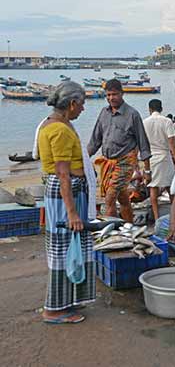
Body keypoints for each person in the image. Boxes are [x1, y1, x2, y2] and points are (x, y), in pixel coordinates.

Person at [36, 82, 96, 324]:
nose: (83, 109)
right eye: (81, 104)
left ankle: (67, 301)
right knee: (63, 251)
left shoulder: (52, 123)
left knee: (73, 248)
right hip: (66, 194)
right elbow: (63, 174)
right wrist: (71, 213)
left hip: (69, 192)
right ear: (72, 104)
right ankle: (54, 310)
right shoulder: (60, 130)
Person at [88, 79, 151, 222]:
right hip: (108, 163)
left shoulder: (132, 114)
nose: (111, 98)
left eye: (114, 94)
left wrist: (147, 171)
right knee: (123, 197)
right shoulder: (104, 113)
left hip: (125, 162)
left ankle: (113, 234)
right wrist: (83, 159)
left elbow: (143, 143)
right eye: (108, 95)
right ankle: (129, 226)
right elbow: (95, 140)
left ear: (122, 94)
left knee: (110, 198)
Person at [143, 99, 175, 219]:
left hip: (152, 157)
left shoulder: (145, 122)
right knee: (171, 188)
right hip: (165, 156)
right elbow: (172, 142)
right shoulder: (167, 121)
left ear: (149, 109)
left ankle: (156, 216)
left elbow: (142, 144)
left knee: (153, 187)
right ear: (161, 108)